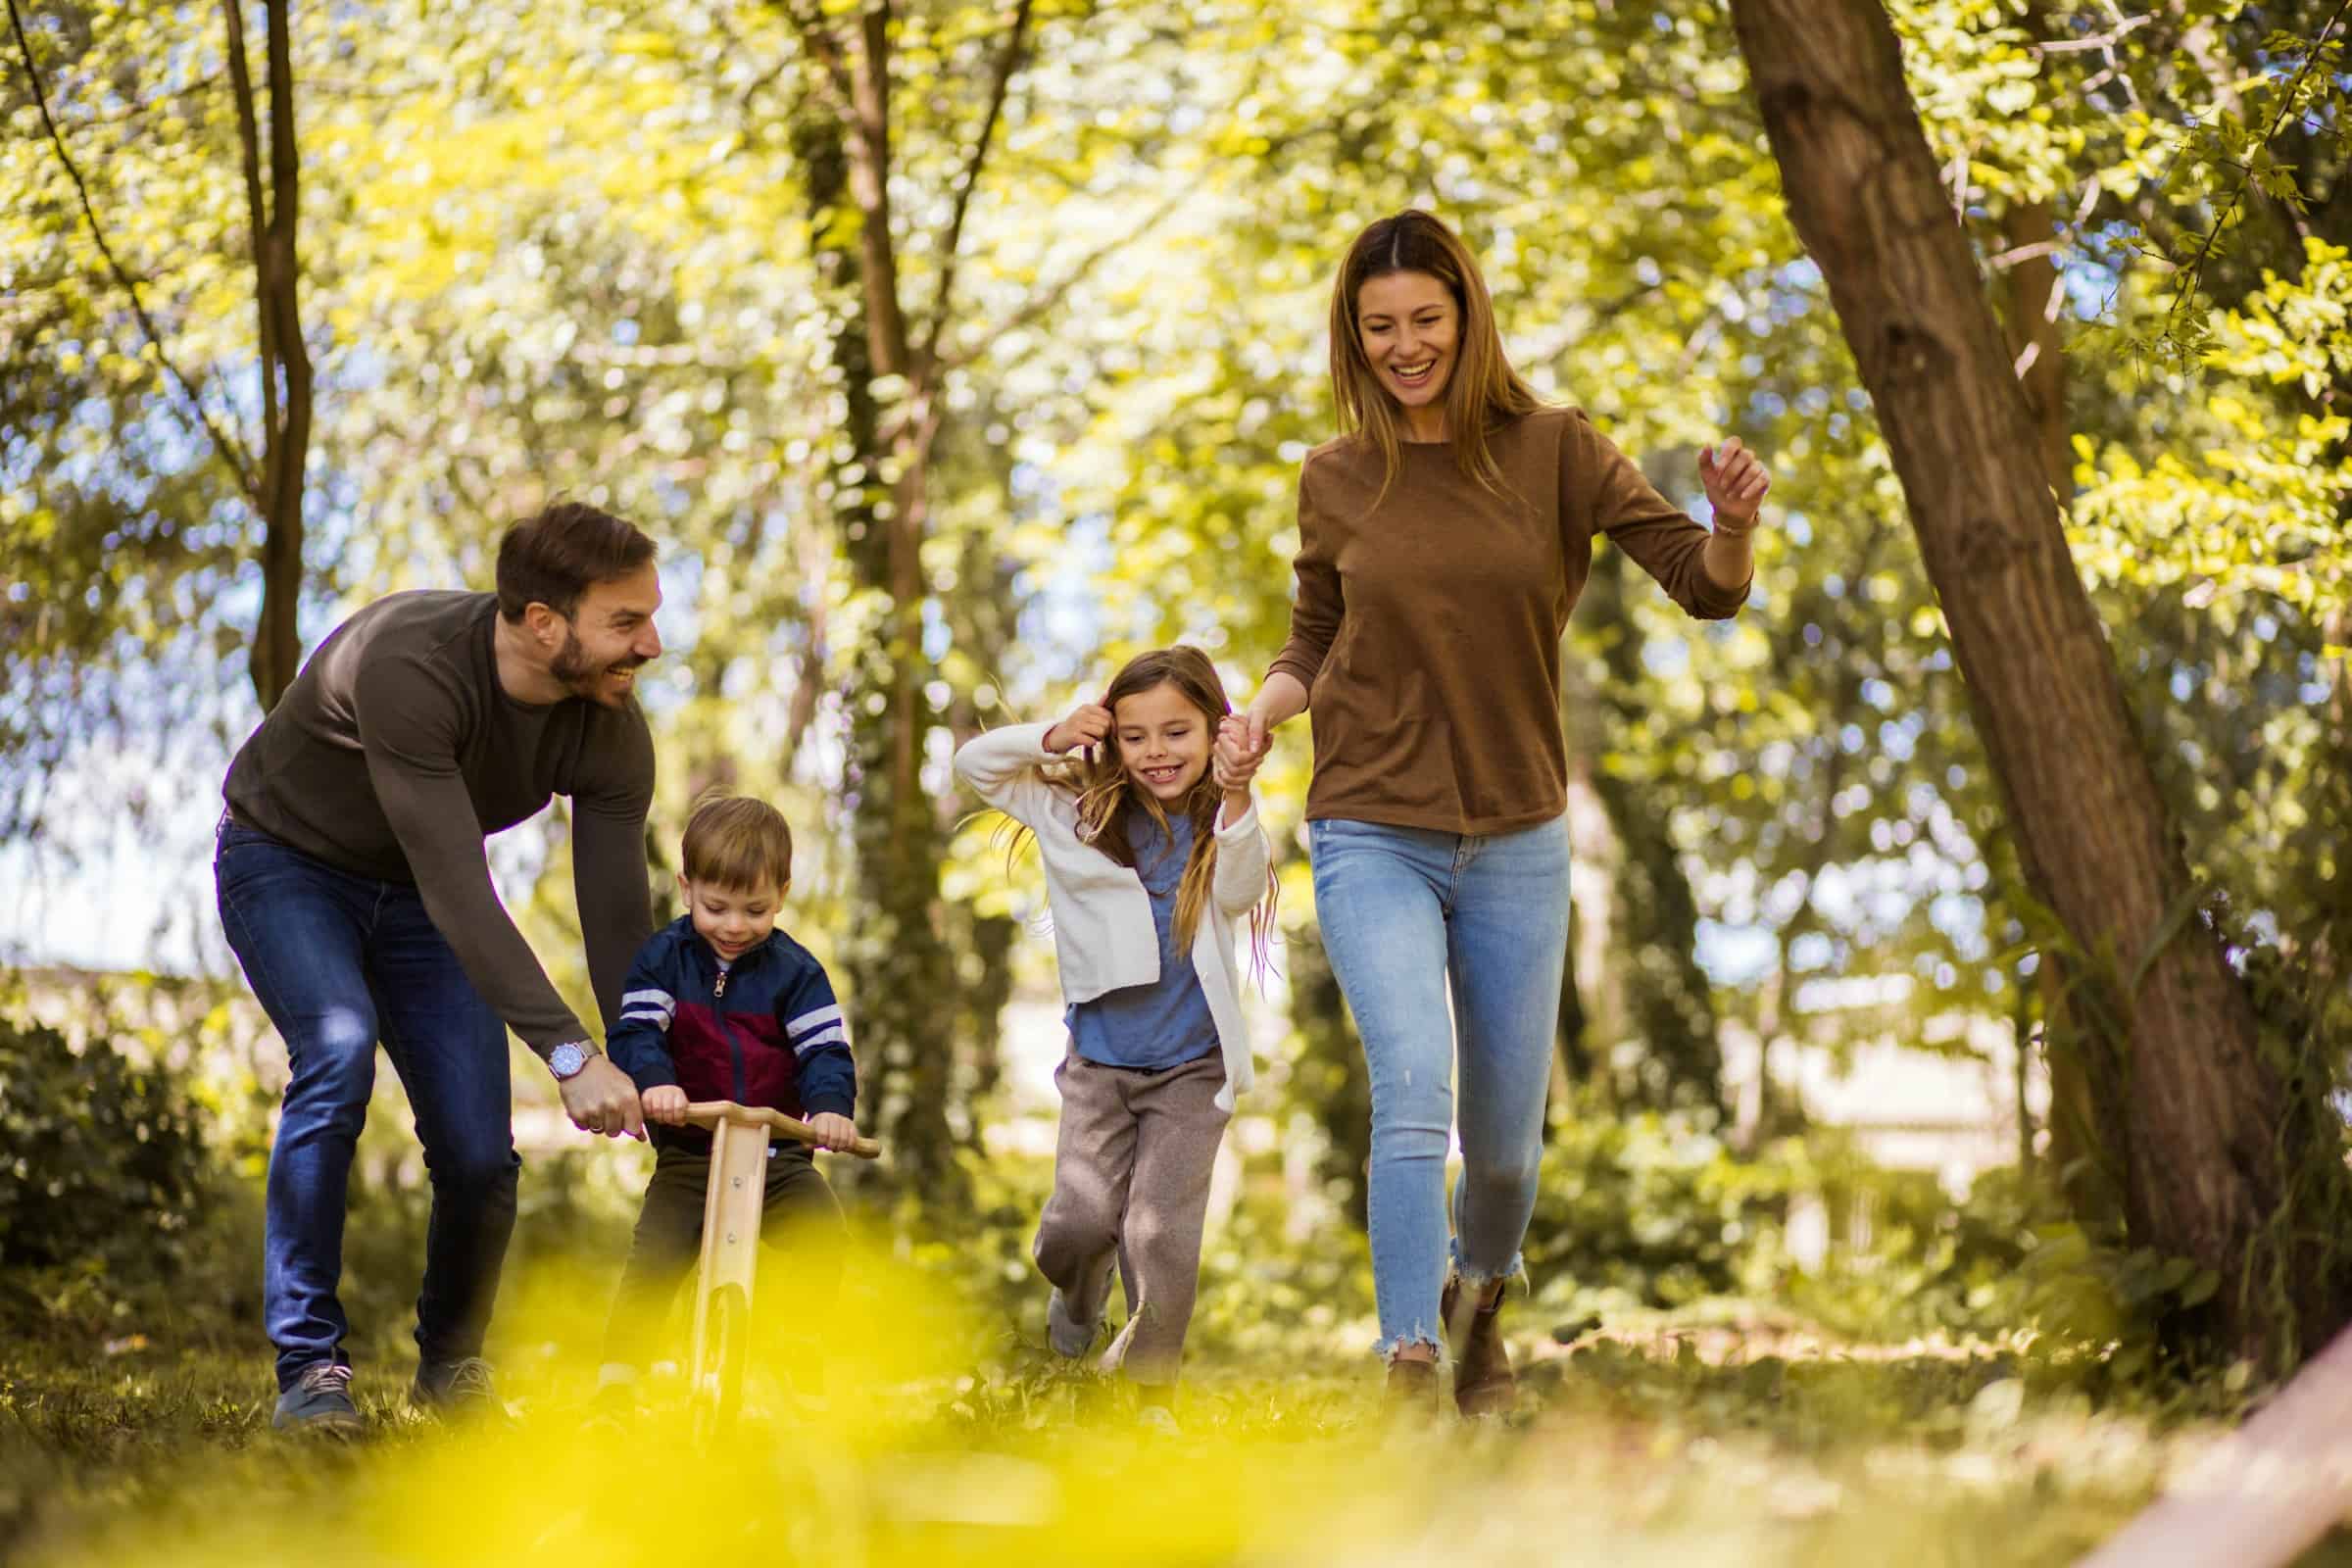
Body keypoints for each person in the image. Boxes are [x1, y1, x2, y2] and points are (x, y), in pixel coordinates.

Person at [1223, 209, 1772, 1417]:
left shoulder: (1556, 449)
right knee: (1412, 1080)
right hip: (1371, 822)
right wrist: (1260, 713)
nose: (1406, 346)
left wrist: (1733, 525)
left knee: (1509, 1146)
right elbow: (1313, 635)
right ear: (1352, 338)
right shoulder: (1335, 476)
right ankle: (1411, 1362)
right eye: (1380, 328)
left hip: (1520, 831)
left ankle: (1483, 1310)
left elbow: (1704, 586)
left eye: (1426, 319)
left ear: (1468, 316)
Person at [215, 500, 663, 1434]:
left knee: (475, 1150)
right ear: (545, 623)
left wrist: (651, 1063)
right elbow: (462, 887)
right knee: (337, 1051)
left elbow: (617, 917)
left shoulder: (609, 725)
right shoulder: (412, 664)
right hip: (289, 862)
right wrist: (573, 1059)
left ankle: (450, 1371)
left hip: (417, 901)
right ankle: (310, 1369)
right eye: (626, 621)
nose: (651, 643)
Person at [954, 647, 1274, 1432]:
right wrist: (1057, 734)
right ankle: (1077, 1297)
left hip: (1191, 1072)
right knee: (1075, 1225)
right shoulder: (1075, 811)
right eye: (1135, 737)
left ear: (1213, 730)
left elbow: (1238, 889)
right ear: (1113, 740)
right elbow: (974, 764)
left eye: (1176, 733)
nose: (1157, 752)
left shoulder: (1218, 823)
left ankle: (1147, 1396)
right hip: (1098, 1065)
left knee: (1158, 1232)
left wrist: (1236, 795)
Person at [594, 794, 860, 1412]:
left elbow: (824, 1049)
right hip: (693, 1148)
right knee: (655, 1258)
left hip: (777, 1154)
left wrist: (829, 1109)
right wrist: (657, 1082)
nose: (735, 926)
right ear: (687, 888)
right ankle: (617, 1381)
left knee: (824, 1236)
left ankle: (794, 1349)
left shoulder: (796, 972)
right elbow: (636, 1032)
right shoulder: (664, 958)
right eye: (716, 907)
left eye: (756, 909)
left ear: (783, 894)